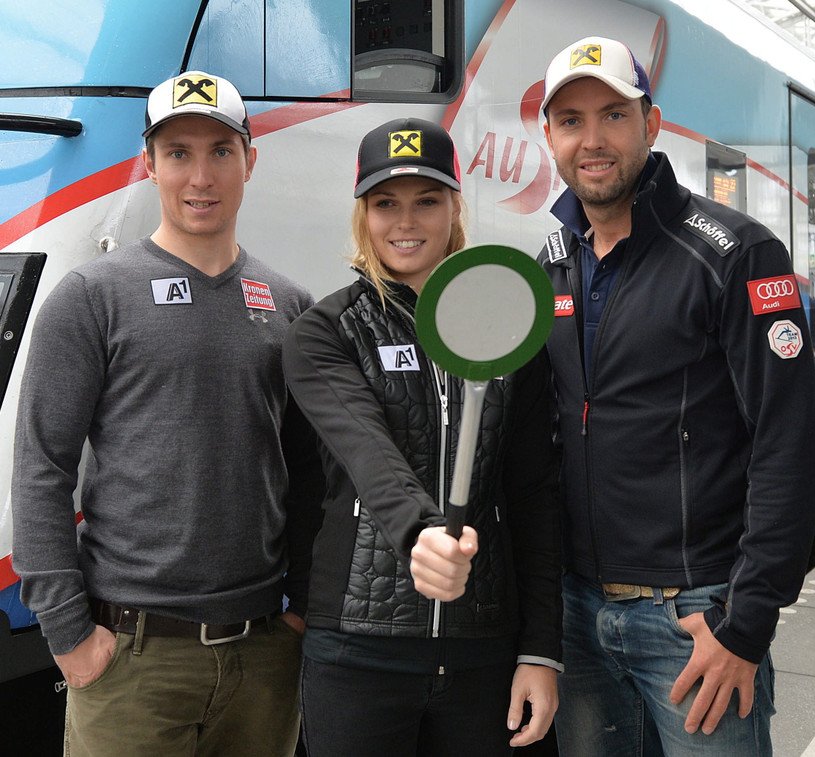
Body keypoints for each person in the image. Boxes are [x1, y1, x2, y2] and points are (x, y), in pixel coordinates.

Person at [537, 37, 815, 755]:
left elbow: (792, 446)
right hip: (578, 617)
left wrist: (745, 623)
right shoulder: (550, 265)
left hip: (694, 620)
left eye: (614, 115)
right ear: (550, 137)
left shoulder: (736, 254)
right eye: (571, 120)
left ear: (652, 123)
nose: (592, 139)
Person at [12, 71, 322, 756]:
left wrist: (303, 606)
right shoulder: (91, 297)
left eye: (220, 151)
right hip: (130, 658)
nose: (200, 177)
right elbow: (41, 469)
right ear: (150, 163)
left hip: (263, 657)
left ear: (250, 160)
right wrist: (68, 633)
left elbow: (309, 474)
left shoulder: (290, 305)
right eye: (178, 153)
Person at [282, 117, 562, 756]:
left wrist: (541, 650)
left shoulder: (507, 331)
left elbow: (534, 497)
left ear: (455, 208)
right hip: (358, 650)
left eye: (427, 201)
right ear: (363, 214)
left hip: (483, 651)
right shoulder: (326, 332)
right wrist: (420, 532)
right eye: (386, 203)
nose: (406, 222)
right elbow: (368, 454)